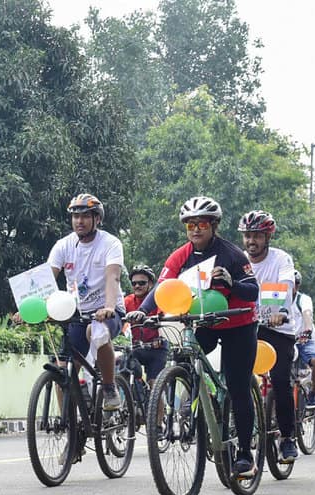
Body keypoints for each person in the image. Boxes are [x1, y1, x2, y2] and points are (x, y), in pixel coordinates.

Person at [127, 196, 259, 476]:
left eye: (201, 224)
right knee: (186, 358)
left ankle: (246, 454)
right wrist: (143, 311)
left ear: (214, 225)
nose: (195, 230)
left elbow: (253, 291)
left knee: (238, 386)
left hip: (239, 323)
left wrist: (232, 284)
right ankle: (200, 400)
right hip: (205, 322)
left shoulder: (233, 254)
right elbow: (162, 288)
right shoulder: (180, 256)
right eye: (190, 225)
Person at [46, 193, 125, 411]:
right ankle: (70, 427)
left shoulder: (110, 243)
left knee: (97, 331)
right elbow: (45, 280)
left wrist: (109, 307)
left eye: (85, 216)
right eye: (75, 216)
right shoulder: (63, 246)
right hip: (77, 313)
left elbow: (113, 276)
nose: (79, 221)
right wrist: (26, 309)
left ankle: (109, 387)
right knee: (62, 371)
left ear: (97, 219)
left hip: (108, 311)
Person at [240, 210, 298, 461]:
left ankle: (287, 437)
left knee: (281, 380)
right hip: (247, 324)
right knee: (236, 378)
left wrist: (282, 311)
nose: (251, 241)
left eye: (257, 236)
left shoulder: (280, 259)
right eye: (247, 236)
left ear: (267, 237)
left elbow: (286, 286)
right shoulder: (239, 259)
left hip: (278, 327)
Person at [122, 265, 169, 386]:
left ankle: (153, 400)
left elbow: (163, 318)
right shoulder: (128, 301)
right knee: (126, 375)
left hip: (157, 349)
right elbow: (119, 320)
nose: (137, 286)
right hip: (137, 348)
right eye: (134, 283)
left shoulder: (159, 299)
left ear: (151, 284)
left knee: (154, 386)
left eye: (142, 283)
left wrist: (160, 336)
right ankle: (136, 392)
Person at [291, 271, 315, 409]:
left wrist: (307, 329)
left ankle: (313, 391)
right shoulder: (276, 299)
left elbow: (307, 314)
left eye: (295, 284)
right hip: (285, 339)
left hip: (305, 339)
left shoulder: (303, 299)